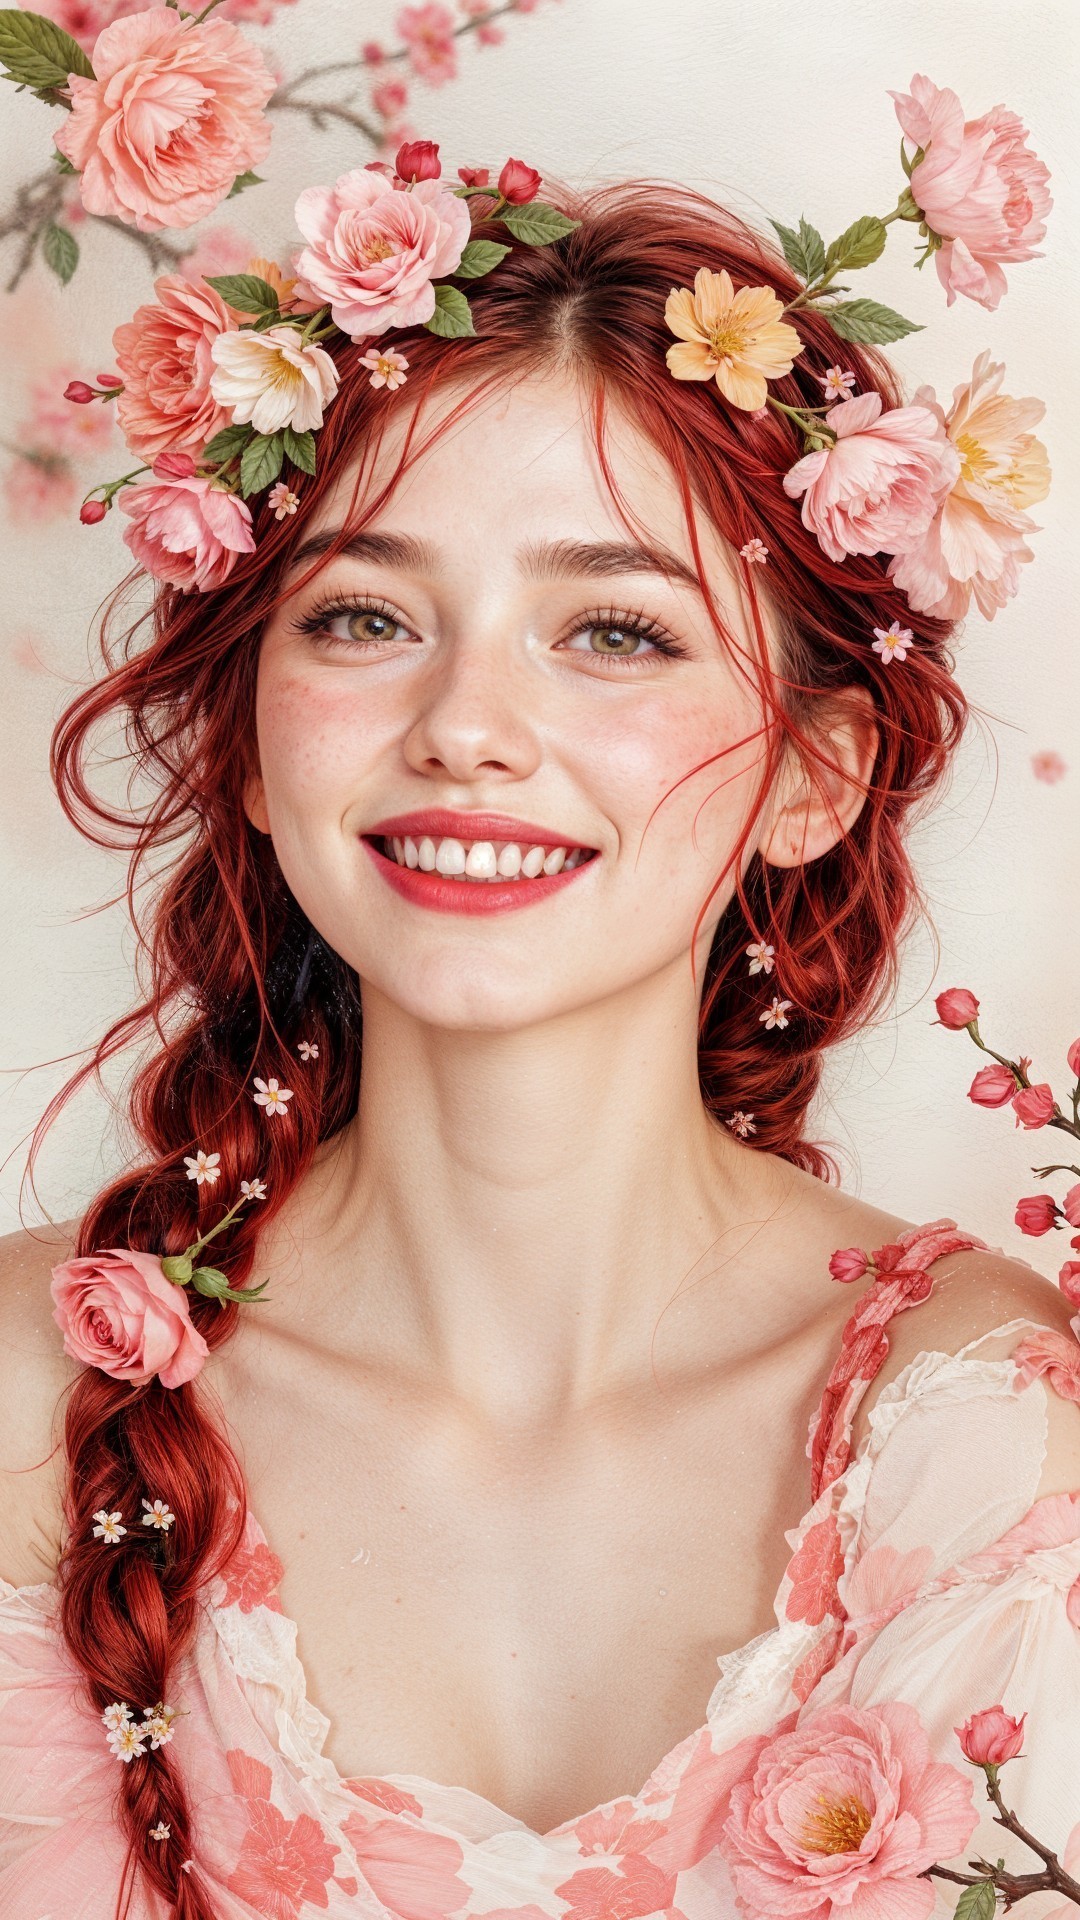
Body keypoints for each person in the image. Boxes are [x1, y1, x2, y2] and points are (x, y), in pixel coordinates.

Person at [2, 163, 1078, 1920]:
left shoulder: (978, 1423)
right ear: (257, 745)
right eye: (365, 617)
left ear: (818, 768)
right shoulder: (30, 1402)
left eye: (613, 630)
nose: (469, 729)